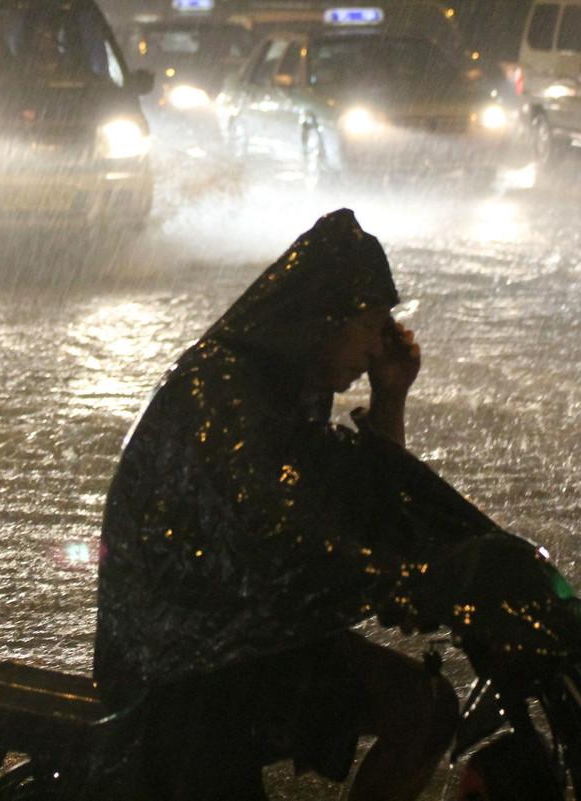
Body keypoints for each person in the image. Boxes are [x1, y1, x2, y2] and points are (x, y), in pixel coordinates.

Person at [94, 209, 468, 801]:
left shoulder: (293, 386)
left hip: (254, 639)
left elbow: (367, 497)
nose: (377, 348)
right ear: (322, 320)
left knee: (421, 708)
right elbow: (280, 525)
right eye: (370, 327)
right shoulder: (220, 390)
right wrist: (389, 578)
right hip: (179, 661)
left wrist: (389, 397)